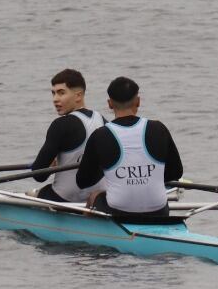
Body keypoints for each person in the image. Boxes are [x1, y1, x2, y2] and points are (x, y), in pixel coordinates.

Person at [75, 76, 184, 224]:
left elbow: (83, 181)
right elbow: (176, 172)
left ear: (109, 104)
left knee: (94, 195)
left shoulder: (100, 135)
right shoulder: (158, 128)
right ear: (138, 101)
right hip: (159, 212)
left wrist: (106, 167)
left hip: (118, 213)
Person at [29, 69, 105, 203]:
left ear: (78, 96)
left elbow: (38, 175)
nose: (55, 99)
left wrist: (50, 166)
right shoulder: (103, 120)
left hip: (64, 199)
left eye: (61, 93)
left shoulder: (60, 125)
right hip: (97, 198)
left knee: (32, 193)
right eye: (53, 93)